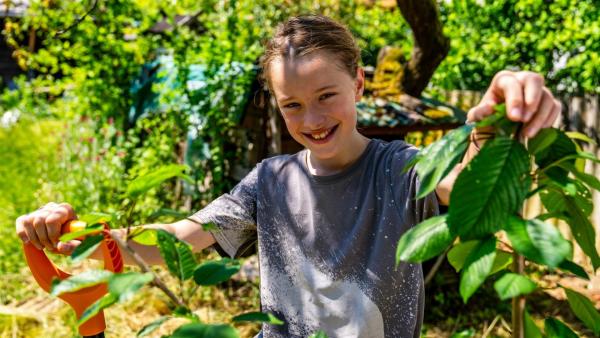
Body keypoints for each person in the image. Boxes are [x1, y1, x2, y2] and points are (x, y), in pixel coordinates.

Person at [16, 15, 561, 338]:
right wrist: (85, 239)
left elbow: (465, 189)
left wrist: (493, 129)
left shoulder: (400, 169)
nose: (313, 120)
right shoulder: (269, 181)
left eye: (327, 96)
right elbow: (181, 239)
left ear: (360, 84)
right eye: (292, 105)